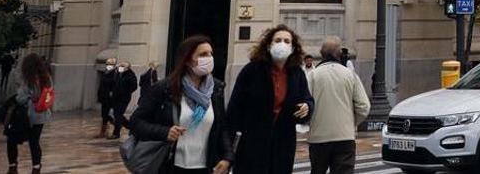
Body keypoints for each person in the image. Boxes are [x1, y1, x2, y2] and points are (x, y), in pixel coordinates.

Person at [129, 35, 233, 174]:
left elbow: (221, 127)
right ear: (187, 60)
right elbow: (136, 122)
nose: (209, 58)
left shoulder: (215, 89)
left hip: (206, 167)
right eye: (203, 54)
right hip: (171, 165)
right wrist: (164, 132)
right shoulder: (165, 88)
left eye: (210, 54)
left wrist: (227, 157)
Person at [228, 24, 314, 174]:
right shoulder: (252, 70)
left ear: (293, 48)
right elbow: (234, 109)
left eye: (287, 41)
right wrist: (227, 151)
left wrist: (307, 106)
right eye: (278, 40)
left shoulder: (296, 73)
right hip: (253, 144)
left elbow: (306, 98)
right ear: (268, 45)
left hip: (283, 144)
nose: (282, 44)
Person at [306, 37, 370, 174]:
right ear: (340, 53)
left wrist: (310, 123)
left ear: (322, 54)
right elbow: (364, 106)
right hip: (344, 138)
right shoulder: (350, 75)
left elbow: (305, 106)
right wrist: (351, 122)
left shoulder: (312, 76)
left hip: (318, 138)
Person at [5, 52, 53, 174]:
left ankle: (13, 166)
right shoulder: (46, 78)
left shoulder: (28, 79)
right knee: (34, 142)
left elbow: (20, 98)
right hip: (41, 115)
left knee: (12, 139)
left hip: (27, 116)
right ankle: (36, 168)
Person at [110, 61, 139, 139]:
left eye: (123, 66)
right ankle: (130, 126)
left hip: (124, 98)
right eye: (120, 66)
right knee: (117, 115)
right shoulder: (118, 73)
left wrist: (126, 91)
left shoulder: (130, 75)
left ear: (127, 68)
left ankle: (116, 133)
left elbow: (134, 86)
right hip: (116, 97)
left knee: (118, 114)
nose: (121, 67)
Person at [97, 57, 118, 138]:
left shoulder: (115, 74)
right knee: (104, 115)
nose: (108, 66)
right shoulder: (105, 73)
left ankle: (116, 126)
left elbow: (115, 85)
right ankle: (104, 131)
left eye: (110, 64)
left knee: (107, 115)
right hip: (104, 96)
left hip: (110, 98)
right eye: (107, 64)